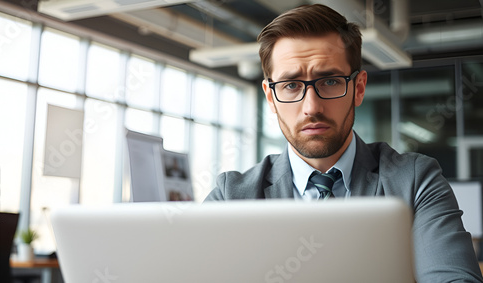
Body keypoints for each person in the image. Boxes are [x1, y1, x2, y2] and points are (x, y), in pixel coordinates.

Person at [204, 4, 483, 282]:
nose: (311, 107)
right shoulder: (232, 196)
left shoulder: (414, 181)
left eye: (330, 81)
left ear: (358, 88)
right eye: (291, 85)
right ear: (270, 97)